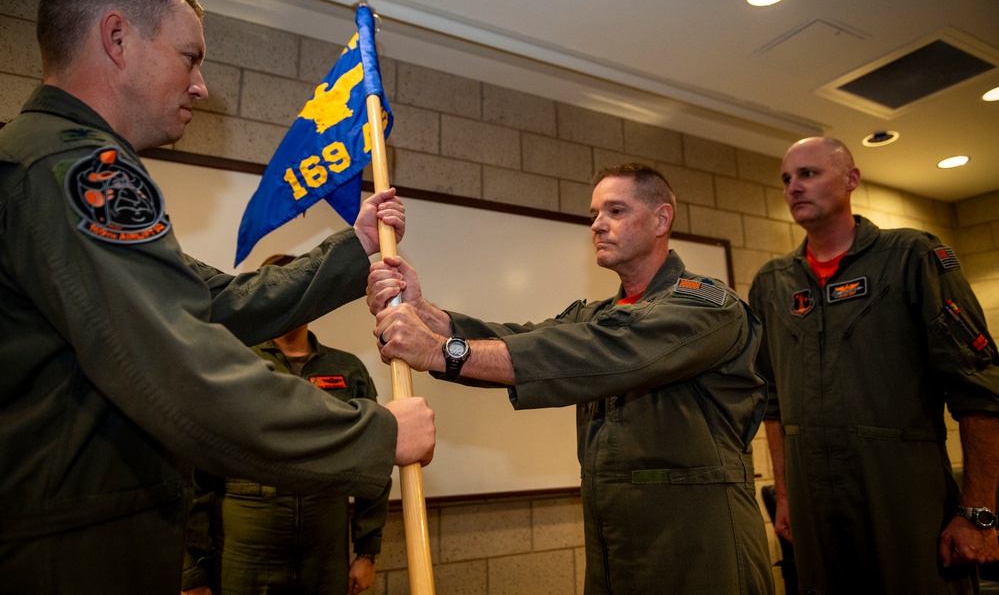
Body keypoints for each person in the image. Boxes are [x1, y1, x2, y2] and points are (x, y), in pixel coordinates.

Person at [0, 0, 435, 594]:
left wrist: (355, 247)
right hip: (66, 553)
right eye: (190, 57)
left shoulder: (46, 163)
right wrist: (372, 432)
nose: (201, 85)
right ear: (117, 39)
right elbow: (184, 371)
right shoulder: (79, 173)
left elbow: (219, 303)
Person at [367, 163, 774, 594]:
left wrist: (436, 351)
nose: (598, 225)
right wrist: (425, 313)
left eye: (615, 210)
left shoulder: (707, 305)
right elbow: (519, 340)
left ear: (661, 219)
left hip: (702, 551)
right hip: (616, 549)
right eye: (595, 214)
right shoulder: (596, 315)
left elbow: (605, 353)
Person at [749, 136, 999, 594]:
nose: (793, 188)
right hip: (815, 513)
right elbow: (772, 404)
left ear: (851, 179)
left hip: (905, 501)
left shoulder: (911, 257)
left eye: (808, 174)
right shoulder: (772, 283)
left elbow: (979, 388)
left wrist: (978, 515)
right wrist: (785, 495)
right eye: (787, 179)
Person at [183, 255, 390, 595]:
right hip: (244, 550)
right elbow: (196, 468)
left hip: (325, 553)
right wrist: (193, 570)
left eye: (301, 291)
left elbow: (376, 456)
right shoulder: (233, 362)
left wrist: (367, 551)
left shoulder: (348, 369)